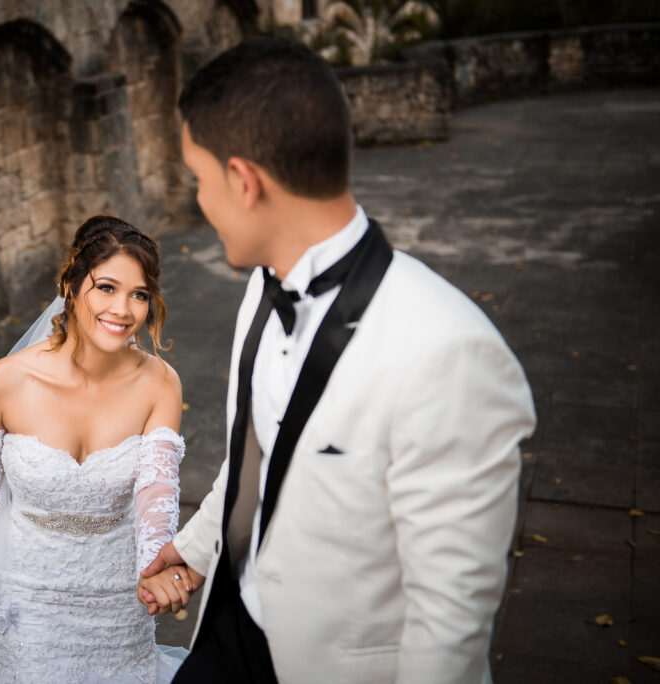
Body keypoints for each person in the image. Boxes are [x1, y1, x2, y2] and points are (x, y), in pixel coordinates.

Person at [139, 39, 537, 683]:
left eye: (199, 181)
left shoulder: (451, 352)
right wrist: (193, 546)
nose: (199, 202)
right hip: (225, 631)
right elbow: (257, 456)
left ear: (244, 182)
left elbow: (449, 628)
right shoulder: (261, 286)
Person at [0, 216, 192, 683]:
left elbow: (157, 490)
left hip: (120, 595)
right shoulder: (4, 382)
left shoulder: (160, 383)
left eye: (139, 294)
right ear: (69, 284)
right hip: (28, 594)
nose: (123, 309)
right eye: (106, 287)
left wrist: (154, 565)